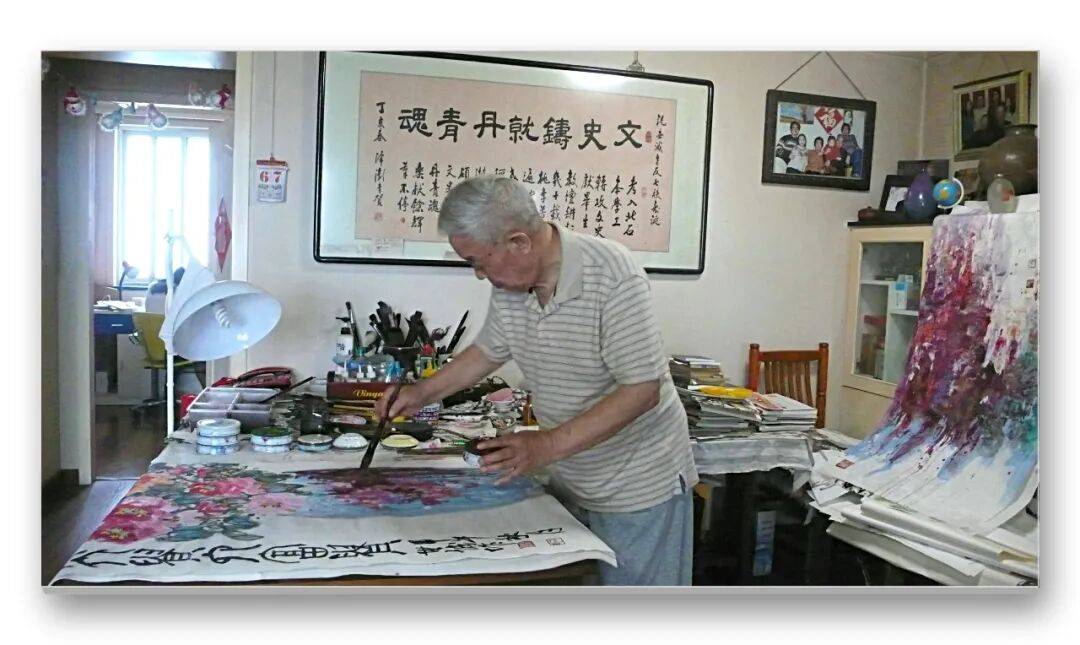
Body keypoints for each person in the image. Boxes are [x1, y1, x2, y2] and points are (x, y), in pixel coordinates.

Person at [376, 176, 698, 586]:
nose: (479, 275)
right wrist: (420, 393)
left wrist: (545, 445)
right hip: (573, 474)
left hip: (639, 483)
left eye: (478, 262)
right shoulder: (513, 286)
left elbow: (642, 390)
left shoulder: (613, 273)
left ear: (519, 243)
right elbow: (487, 351)